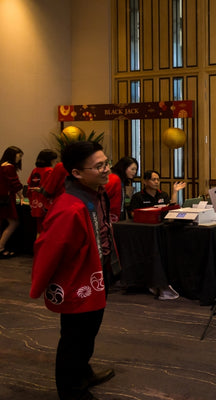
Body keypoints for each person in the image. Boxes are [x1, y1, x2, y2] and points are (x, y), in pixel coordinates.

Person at [30, 141, 115, 400]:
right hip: (78, 281)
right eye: (98, 166)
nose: (106, 170)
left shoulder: (97, 191)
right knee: (74, 338)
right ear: (76, 173)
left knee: (88, 332)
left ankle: (83, 372)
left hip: (97, 273)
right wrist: (40, 285)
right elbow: (49, 249)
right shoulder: (70, 207)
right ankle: (71, 391)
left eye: (106, 162)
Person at [129, 170, 185, 300]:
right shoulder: (138, 197)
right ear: (145, 181)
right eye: (153, 179)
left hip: (161, 229)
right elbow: (133, 214)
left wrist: (175, 192)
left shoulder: (163, 194)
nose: (156, 182)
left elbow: (172, 208)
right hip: (144, 232)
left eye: (158, 179)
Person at [0, 146, 25, 258]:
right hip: (6, 199)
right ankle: (1, 248)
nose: (19, 158)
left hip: (2, 198)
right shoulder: (9, 167)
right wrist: (22, 197)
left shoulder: (2, 165)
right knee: (13, 223)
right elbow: (15, 184)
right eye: (19, 156)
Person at [27, 149, 59, 233]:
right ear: (51, 160)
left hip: (35, 203)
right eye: (55, 160)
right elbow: (51, 188)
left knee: (39, 230)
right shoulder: (50, 171)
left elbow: (29, 186)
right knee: (49, 229)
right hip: (46, 204)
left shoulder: (35, 170)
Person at [104, 156, 138, 222]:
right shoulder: (114, 179)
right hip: (110, 218)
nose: (134, 172)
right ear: (124, 167)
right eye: (132, 169)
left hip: (117, 217)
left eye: (136, 170)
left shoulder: (121, 180)